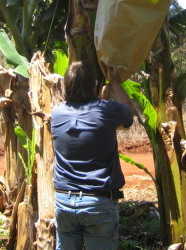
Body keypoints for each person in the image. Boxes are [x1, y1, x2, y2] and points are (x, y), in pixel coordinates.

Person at [51, 61, 134, 250]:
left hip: (64, 200)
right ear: (94, 85)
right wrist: (115, 83)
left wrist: (102, 99)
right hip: (98, 201)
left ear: (66, 85)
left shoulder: (57, 113)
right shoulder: (107, 109)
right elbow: (128, 114)